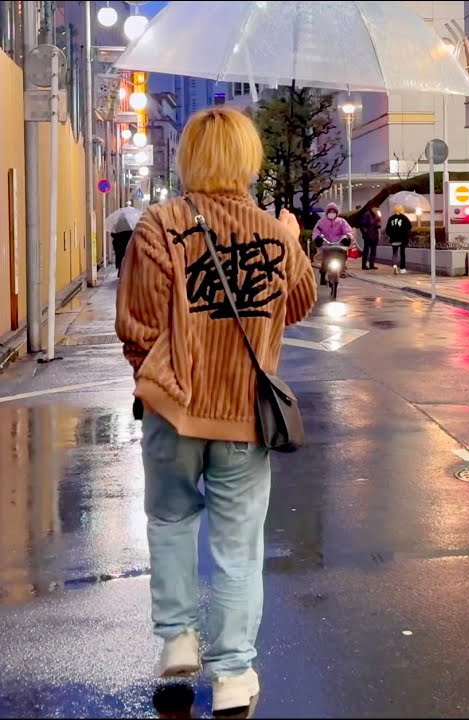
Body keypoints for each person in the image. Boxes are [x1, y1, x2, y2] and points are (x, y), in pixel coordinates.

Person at [115, 105, 317, 718]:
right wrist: (293, 239)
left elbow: (137, 324)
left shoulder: (159, 225)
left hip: (173, 409)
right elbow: (301, 305)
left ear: (191, 157)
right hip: (245, 415)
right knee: (238, 547)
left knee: (172, 523)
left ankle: (177, 638)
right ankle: (233, 673)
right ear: (248, 159)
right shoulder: (274, 232)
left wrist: (156, 378)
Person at [385, 205, 412, 275]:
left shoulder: (391, 218)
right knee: (402, 253)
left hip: (393, 238)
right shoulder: (404, 218)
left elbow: (387, 229)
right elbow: (409, 226)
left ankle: (394, 264)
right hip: (402, 238)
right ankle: (402, 268)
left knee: (395, 252)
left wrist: (391, 235)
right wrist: (404, 232)